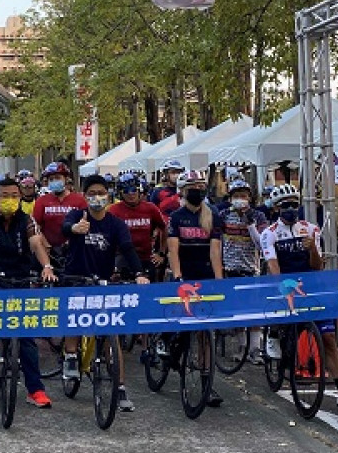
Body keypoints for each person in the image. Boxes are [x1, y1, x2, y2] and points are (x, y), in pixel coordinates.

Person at [258, 184, 338, 414]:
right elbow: (273, 265)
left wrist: (312, 250)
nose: (291, 209)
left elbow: (318, 266)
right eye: (285, 205)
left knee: (328, 338)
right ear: (277, 208)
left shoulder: (311, 229)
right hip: (286, 285)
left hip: (311, 287)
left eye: (294, 204)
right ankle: (275, 334)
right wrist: (283, 288)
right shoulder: (269, 233)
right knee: (279, 303)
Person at [61, 174, 149, 411]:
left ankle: (120, 387)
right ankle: (71, 356)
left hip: (103, 281)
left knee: (113, 335)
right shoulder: (77, 215)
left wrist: (139, 273)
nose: (97, 197)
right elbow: (65, 228)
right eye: (92, 193)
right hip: (76, 278)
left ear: (109, 196)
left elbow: (128, 249)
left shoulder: (116, 224)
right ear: (84, 195)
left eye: (101, 193)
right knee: (75, 318)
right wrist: (75, 229)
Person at [0, 177, 56, 408]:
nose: (10, 199)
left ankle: (35, 390)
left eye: (14, 195)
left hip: (19, 279)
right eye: (5, 195)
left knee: (26, 337)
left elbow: (36, 243)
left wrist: (47, 266)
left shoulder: (27, 220)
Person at [166, 169, 224, 408]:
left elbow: (215, 251)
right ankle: (169, 344)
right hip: (184, 273)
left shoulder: (213, 216)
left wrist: (219, 280)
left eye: (201, 187)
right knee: (180, 323)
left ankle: (206, 382)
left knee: (205, 332)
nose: (197, 191)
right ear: (182, 191)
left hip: (205, 275)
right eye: (193, 188)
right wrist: (178, 276)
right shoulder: (176, 217)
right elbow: (173, 250)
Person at [219, 178, 269, 363]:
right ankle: (242, 347)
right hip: (230, 268)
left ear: (250, 198)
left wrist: (249, 223)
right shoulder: (223, 215)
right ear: (230, 198)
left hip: (251, 269)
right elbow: (217, 241)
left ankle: (255, 349)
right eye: (237, 196)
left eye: (244, 196)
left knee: (254, 310)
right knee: (238, 311)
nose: (240, 199)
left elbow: (261, 243)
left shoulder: (258, 216)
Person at [108, 172, 167, 281]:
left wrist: (161, 253)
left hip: (146, 257)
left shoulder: (150, 208)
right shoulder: (113, 210)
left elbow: (164, 228)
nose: (131, 194)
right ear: (120, 193)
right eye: (126, 191)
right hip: (122, 258)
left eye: (133, 190)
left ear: (139, 190)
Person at [32, 162, 87, 265]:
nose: (54, 181)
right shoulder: (41, 201)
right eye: (51, 179)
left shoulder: (79, 200)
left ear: (66, 179)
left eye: (57, 178)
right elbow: (36, 226)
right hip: (48, 252)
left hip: (74, 251)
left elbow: (85, 223)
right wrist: (46, 245)